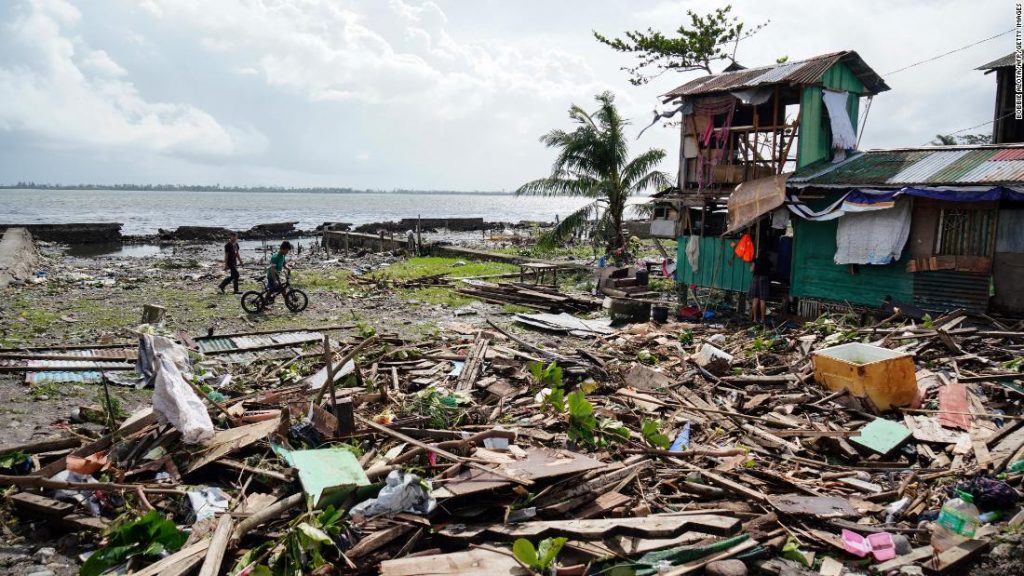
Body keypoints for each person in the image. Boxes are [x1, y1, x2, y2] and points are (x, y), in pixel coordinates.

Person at [748, 251, 773, 323]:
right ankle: (762, 319)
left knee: (755, 299)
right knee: (762, 300)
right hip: (764, 279)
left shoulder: (756, 260)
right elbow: (771, 272)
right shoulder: (768, 262)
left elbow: (752, 270)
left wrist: (751, 267)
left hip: (755, 278)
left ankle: (755, 319)